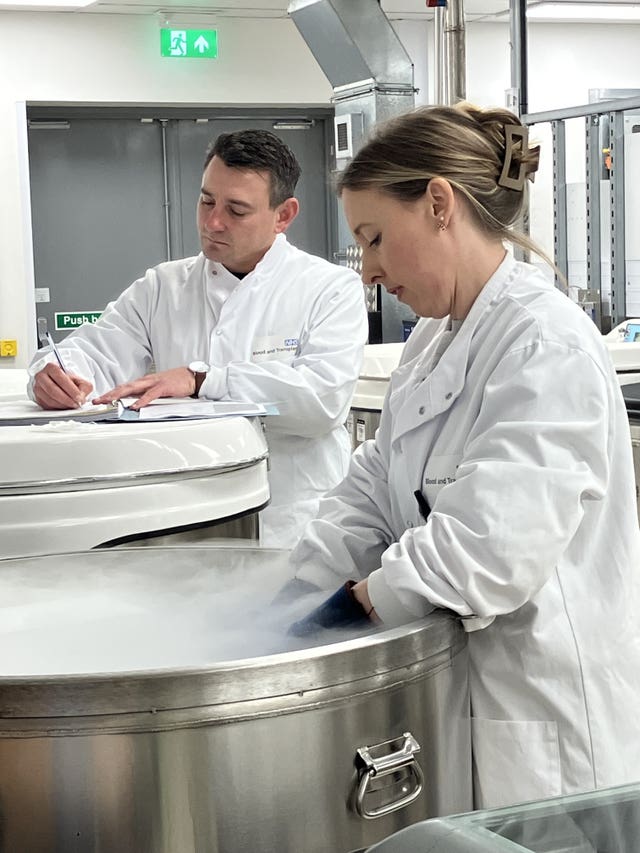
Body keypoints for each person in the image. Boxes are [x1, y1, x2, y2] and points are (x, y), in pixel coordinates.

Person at [287, 103, 640, 809]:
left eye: (376, 238)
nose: (369, 270)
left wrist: (347, 610)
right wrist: (290, 593)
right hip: (464, 701)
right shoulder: (432, 340)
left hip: (545, 721)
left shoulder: (545, 341)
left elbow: (489, 545)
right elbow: (373, 487)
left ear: (439, 204)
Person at [27, 129, 369, 547]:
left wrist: (203, 379)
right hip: (184, 520)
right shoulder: (163, 287)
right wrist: (55, 373)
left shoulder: (328, 288)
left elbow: (321, 402)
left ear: (284, 215)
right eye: (206, 201)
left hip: (293, 525)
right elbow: (96, 352)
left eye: (236, 210)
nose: (213, 223)